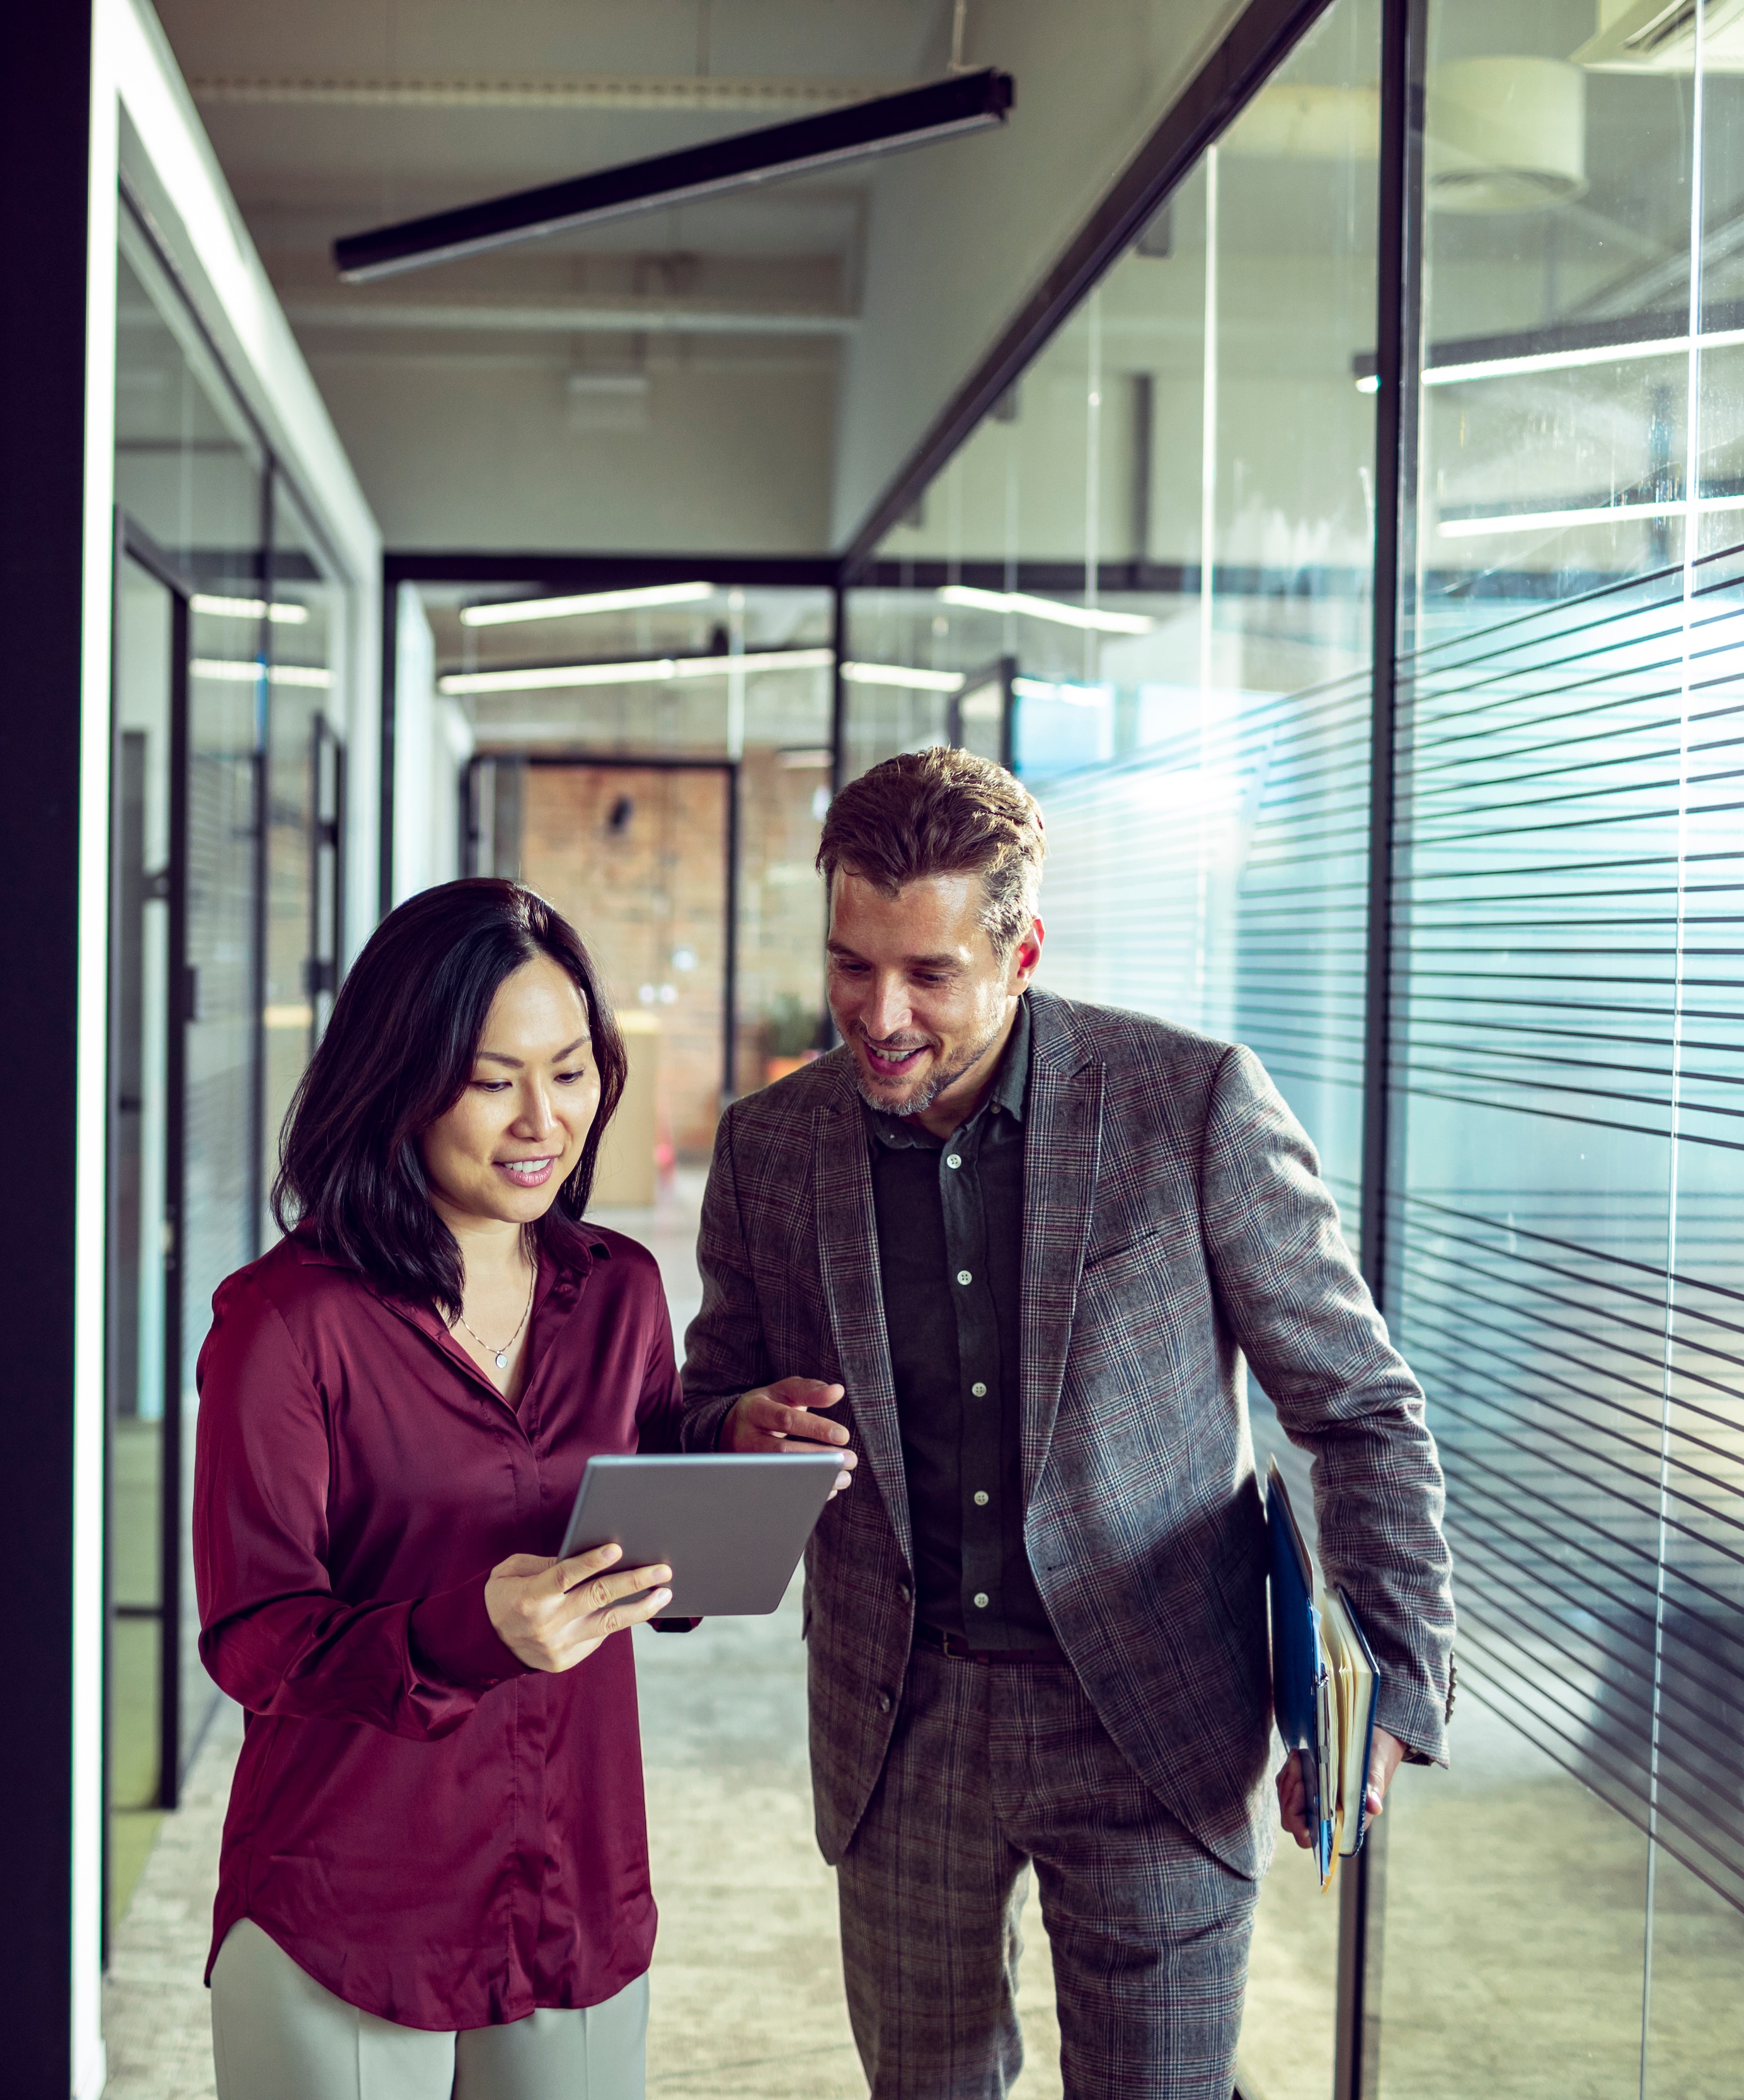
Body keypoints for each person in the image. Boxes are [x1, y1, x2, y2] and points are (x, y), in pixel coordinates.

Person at [658, 749, 1457, 2097]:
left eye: (929, 974)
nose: (879, 1012)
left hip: (1150, 1711)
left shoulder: (1190, 1103)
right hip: (896, 1715)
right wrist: (733, 1423)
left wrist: (1388, 1674)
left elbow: (1358, 1405)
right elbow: (703, 1399)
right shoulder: (769, 1146)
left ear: (1020, 947)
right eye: (852, 965)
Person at [196, 877, 767, 2100]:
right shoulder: (286, 1323)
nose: (541, 1119)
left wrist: (735, 1457)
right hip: (354, 1906)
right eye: (491, 1075)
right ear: (399, 1077)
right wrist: (466, 1628)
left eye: (568, 1070)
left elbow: (647, 1520)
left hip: (573, 1886)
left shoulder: (619, 1288)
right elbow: (254, 1638)